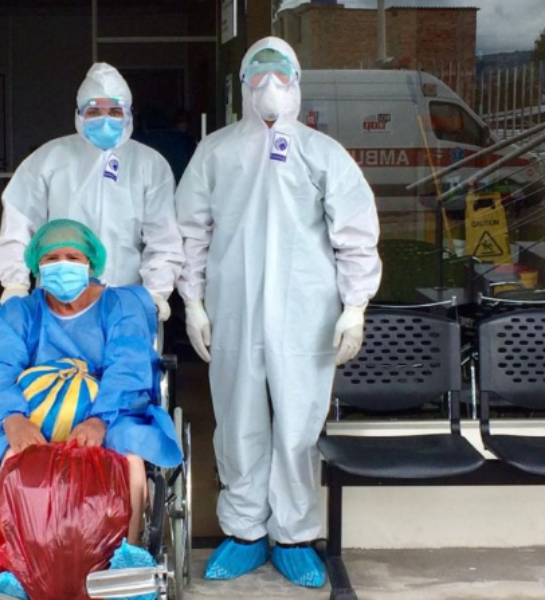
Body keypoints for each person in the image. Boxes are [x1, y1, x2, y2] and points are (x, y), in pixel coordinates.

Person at [176, 37, 381, 588]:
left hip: (306, 312)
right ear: (243, 84)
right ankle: (244, 532)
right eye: (260, 73)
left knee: (298, 424)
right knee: (238, 420)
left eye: (281, 73)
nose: (270, 85)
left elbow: (355, 235)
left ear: (297, 82)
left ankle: (293, 536)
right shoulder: (216, 152)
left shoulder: (323, 153)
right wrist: (193, 301)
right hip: (234, 309)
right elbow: (190, 232)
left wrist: (354, 305)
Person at [0, 218, 183, 550]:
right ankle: (24, 557)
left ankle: (127, 554)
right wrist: (12, 418)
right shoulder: (21, 313)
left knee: (128, 457)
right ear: (37, 265)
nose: (62, 265)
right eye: (51, 258)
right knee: (13, 458)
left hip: (115, 414)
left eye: (73, 257)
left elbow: (128, 367)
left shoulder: (121, 306)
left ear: (90, 263)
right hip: (35, 416)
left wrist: (99, 420)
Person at [0, 63, 184, 322]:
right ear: (79, 114)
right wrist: (15, 283)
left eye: (114, 111)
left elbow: (163, 237)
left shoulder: (149, 164)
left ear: (128, 114)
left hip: (127, 302)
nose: (105, 120)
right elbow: (18, 224)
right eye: (94, 111)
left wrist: (156, 291)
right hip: (58, 300)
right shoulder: (49, 159)